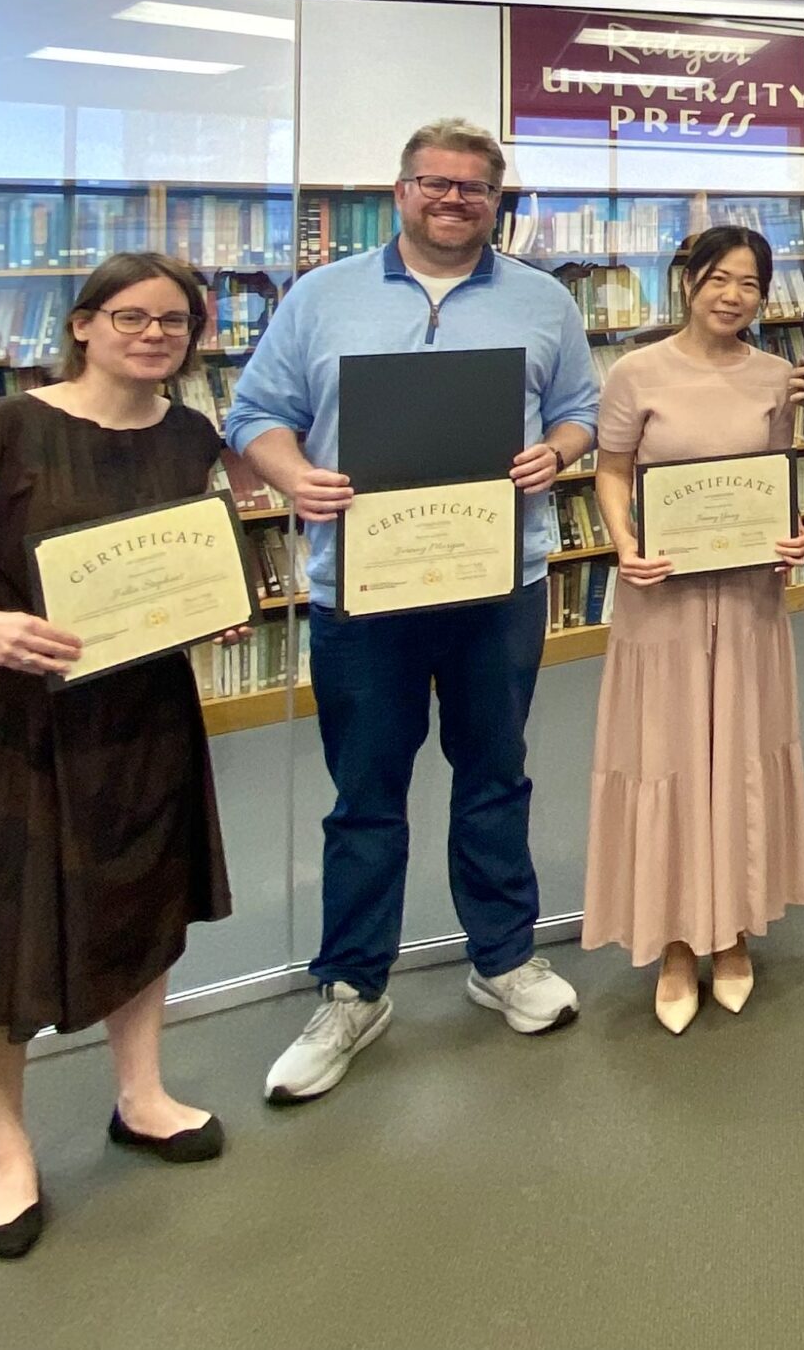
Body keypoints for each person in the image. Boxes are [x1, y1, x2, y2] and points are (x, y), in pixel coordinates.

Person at [0, 254, 234, 1258]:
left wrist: (216, 604)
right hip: (7, 720)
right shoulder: (3, 429)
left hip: (139, 713)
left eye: (176, 321)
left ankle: (143, 1095)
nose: (155, 334)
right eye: (131, 316)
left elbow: (180, 557)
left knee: (143, 897)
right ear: (81, 324)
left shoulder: (192, 434)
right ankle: (7, 1155)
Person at [224, 117, 599, 1102]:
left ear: (495, 201)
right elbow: (254, 415)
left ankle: (503, 957)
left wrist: (555, 452)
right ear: (400, 191)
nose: (454, 200)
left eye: (474, 188)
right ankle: (353, 986)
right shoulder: (321, 297)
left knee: (494, 775)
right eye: (435, 183)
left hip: (496, 583)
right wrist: (295, 475)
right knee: (364, 796)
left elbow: (582, 411)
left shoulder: (542, 301)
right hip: (365, 589)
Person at [583, 227, 804, 1032]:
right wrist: (625, 545)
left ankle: (736, 930)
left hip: (748, 598)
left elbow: (778, 476)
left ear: (764, 295)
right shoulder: (635, 372)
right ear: (688, 282)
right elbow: (611, 471)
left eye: (750, 284)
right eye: (718, 279)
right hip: (664, 599)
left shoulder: (777, 377)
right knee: (670, 755)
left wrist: (795, 533)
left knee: (743, 752)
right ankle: (679, 938)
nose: (732, 296)